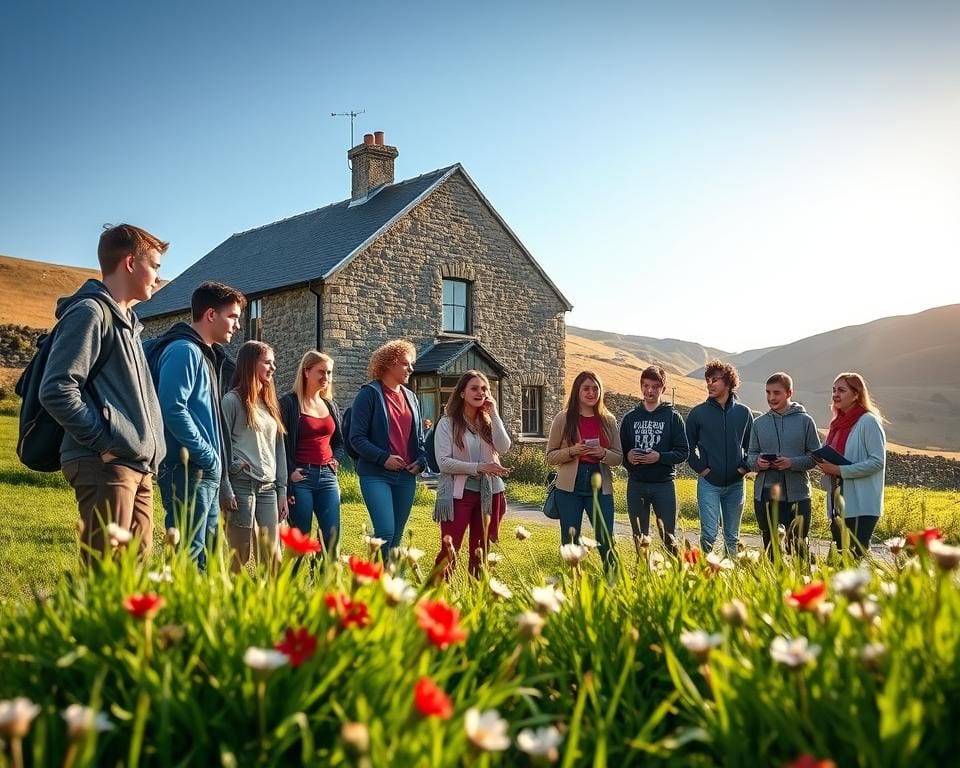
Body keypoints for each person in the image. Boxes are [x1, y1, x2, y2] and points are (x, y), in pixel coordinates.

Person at [39, 224, 167, 563]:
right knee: (105, 575)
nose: (158, 277)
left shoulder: (130, 323)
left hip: (135, 466)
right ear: (129, 262)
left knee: (133, 577)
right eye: (154, 265)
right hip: (105, 464)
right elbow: (56, 389)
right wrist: (106, 441)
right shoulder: (89, 313)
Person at [150, 281, 245, 570]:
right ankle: (177, 614)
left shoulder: (204, 354)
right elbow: (173, 408)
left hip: (203, 472)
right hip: (188, 469)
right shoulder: (185, 351)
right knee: (188, 558)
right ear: (210, 315)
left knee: (208, 558)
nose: (237, 325)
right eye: (233, 316)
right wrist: (207, 455)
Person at [349, 340, 427, 554]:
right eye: (406, 364)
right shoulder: (369, 394)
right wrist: (384, 458)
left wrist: (420, 461)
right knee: (385, 532)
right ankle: (374, 581)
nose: (411, 368)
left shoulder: (411, 397)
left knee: (398, 535)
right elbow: (356, 438)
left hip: (405, 477)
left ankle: (390, 581)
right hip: (376, 474)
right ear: (389, 364)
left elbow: (419, 440)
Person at [432, 370, 511, 578]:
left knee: (481, 551)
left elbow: (503, 447)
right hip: (460, 494)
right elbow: (444, 463)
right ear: (462, 393)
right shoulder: (447, 423)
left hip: (490, 493)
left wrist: (494, 413)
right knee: (449, 550)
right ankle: (433, 596)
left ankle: (476, 599)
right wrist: (480, 467)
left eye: (484, 389)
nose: (480, 392)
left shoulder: (488, 421)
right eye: (474, 388)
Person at [220, 341, 288, 572]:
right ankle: (230, 602)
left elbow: (279, 450)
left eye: (273, 363)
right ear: (251, 364)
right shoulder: (231, 401)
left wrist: (282, 490)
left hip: (268, 488)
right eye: (267, 362)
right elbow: (222, 445)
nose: (273, 368)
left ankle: (272, 604)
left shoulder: (269, 404)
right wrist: (227, 481)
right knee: (240, 552)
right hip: (241, 485)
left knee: (273, 556)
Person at [546, 370, 623, 567]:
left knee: (605, 538)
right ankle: (573, 586)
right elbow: (550, 456)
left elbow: (618, 457)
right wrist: (572, 451)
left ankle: (613, 582)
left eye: (595, 388)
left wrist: (603, 453)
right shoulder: (563, 418)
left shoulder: (609, 420)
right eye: (586, 388)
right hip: (569, 488)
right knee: (570, 540)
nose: (591, 393)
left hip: (600, 485)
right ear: (577, 391)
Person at [746, 372, 821, 559]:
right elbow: (750, 457)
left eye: (776, 393)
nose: (771, 398)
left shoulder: (806, 421)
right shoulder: (759, 423)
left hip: (798, 493)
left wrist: (791, 462)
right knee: (771, 546)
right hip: (766, 492)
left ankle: (802, 584)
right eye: (768, 392)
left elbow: (815, 457)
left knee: (799, 545)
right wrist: (757, 462)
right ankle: (774, 585)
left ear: (789, 393)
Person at [686, 360, 752, 557]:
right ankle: (704, 576)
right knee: (709, 534)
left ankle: (730, 579)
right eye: (708, 380)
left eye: (715, 380)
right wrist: (702, 469)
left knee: (732, 537)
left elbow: (752, 448)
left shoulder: (743, 413)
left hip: (736, 485)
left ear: (729, 382)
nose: (710, 384)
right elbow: (688, 448)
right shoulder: (698, 413)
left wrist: (743, 469)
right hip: (709, 484)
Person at [814, 372, 886, 557]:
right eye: (833, 390)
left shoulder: (868, 422)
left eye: (841, 390)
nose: (835, 394)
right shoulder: (837, 424)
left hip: (862, 503)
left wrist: (839, 469)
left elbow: (877, 462)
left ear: (856, 394)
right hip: (839, 501)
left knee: (853, 557)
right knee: (839, 560)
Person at [619, 365, 688, 554]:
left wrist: (659, 457)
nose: (650, 390)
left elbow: (683, 452)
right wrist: (628, 457)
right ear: (641, 386)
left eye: (655, 386)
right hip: (636, 485)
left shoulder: (673, 418)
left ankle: (673, 576)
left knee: (669, 537)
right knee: (639, 538)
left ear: (663, 389)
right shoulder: (630, 418)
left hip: (664, 485)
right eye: (646, 385)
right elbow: (620, 452)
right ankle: (643, 575)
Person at [280, 350, 344, 554]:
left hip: (327, 477)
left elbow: (339, 441)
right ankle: (291, 583)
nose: (326, 377)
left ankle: (323, 583)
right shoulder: (289, 404)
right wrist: (290, 472)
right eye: (321, 372)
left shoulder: (330, 405)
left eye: (329, 373)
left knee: (331, 538)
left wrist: (335, 459)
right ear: (306, 372)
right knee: (301, 539)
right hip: (301, 479)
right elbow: (279, 443)